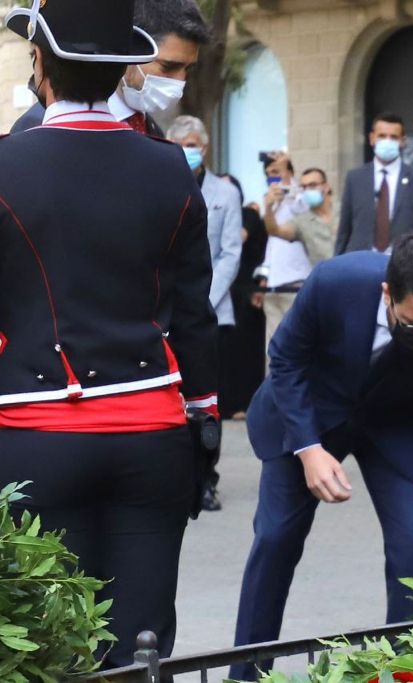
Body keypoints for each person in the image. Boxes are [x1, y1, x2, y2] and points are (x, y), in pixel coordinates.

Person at [0, 0, 218, 666]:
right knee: (142, 643)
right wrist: (203, 427)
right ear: (121, 75)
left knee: (49, 641)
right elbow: (194, 315)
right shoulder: (169, 166)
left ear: (39, 66)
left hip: (39, 439)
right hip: (153, 438)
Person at [229, 231, 413, 681]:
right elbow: (285, 361)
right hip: (309, 409)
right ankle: (245, 674)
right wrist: (309, 449)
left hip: (401, 422)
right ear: (388, 293)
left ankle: (403, 671)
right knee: (277, 537)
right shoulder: (334, 283)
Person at [167, 114, 241, 511]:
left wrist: (203, 299)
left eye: (196, 143)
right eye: (184, 144)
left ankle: (207, 477)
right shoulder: (161, 185)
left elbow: (231, 252)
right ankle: (178, 473)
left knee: (208, 402)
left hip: (212, 309)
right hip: (166, 314)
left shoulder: (224, 192)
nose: (191, 151)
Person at [10, 0, 208, 135]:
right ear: (131, 52)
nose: (180, 82)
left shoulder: (154, 132)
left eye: (188, 69)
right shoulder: (38, 125)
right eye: (168, 66)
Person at [334, 112, 413, 255]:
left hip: (403, 262)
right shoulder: (355, 178)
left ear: (403, 141)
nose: (387, 141)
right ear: (372, 138)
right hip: (360, 261)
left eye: (393, 137)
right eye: (382, 136)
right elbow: (344, 230)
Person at [219, 174, 268, 419]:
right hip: (222, 290)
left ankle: (245, 403)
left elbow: (239, 238)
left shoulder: (246, 214)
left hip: (245, 291)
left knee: (246, 351)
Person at [255, 151, 312, 355]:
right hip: (273, 288)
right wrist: (263, 281)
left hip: (296, 284)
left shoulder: (300, 198)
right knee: (272, 349)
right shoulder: (271, 203)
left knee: (295, 347)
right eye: (270, 174)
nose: (274, 178)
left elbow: (304, 207)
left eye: (277, 172)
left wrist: (288, 179)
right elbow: (271, 246)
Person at [265, 167, 337, 268]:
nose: (307, 190)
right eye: (303, 187)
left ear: (326, 187)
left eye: (312, 185)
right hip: (325, 279)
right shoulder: (301, 221)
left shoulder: (344, 211)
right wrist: (268, 207)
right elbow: (275, 230)